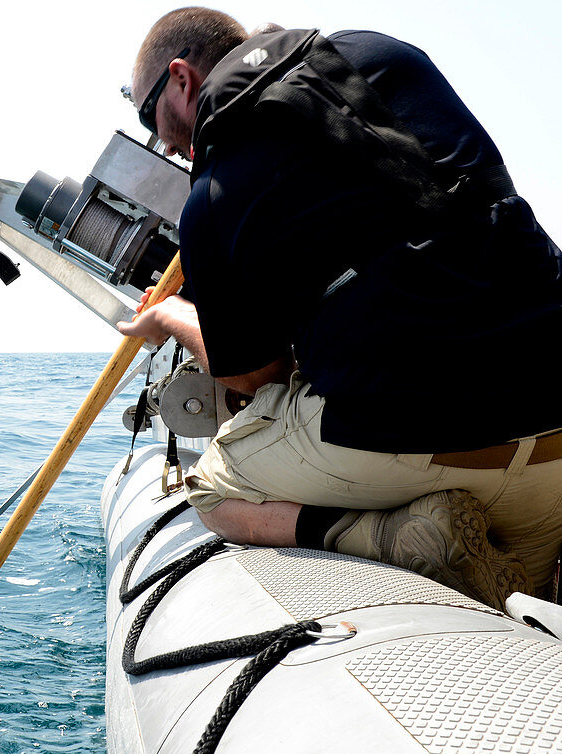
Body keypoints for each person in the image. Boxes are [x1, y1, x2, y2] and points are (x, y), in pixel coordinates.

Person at [117, 8, 562, 610]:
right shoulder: (384, 53)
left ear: (182, 79)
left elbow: (258, 379)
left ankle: (384, 537)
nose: (159, 140)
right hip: (555, 425)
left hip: (423, 438)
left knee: (213, 489)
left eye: (150, 116)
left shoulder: (211, 197)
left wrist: (167, 316)